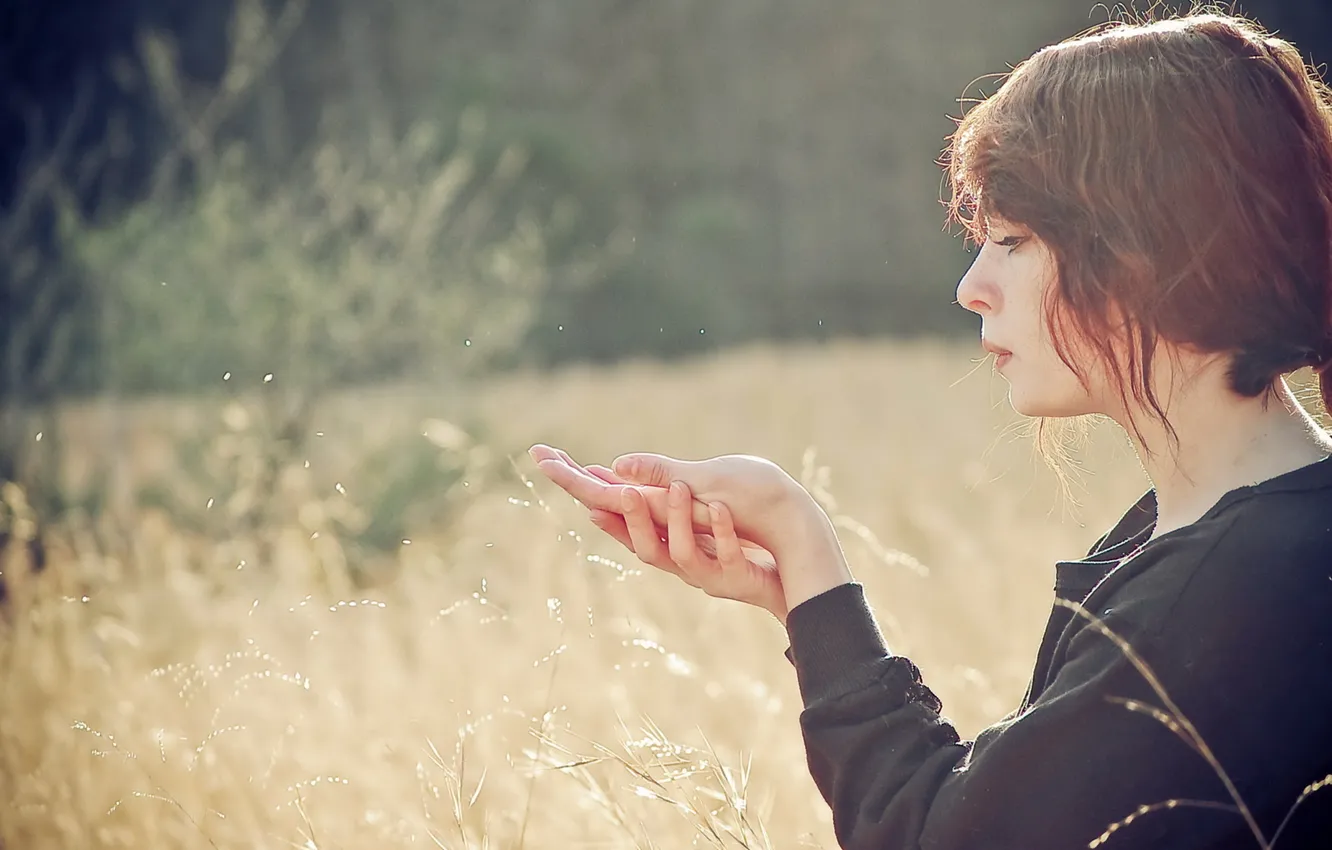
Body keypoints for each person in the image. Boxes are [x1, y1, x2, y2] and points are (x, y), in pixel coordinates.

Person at [530, 10, 1332, 849]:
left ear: (1146, 252)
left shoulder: (1229, 592)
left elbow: (934, 836)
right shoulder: (1235, 537)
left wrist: (805, 552)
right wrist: (794, 586)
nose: (972, 287)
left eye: (1012, 241)